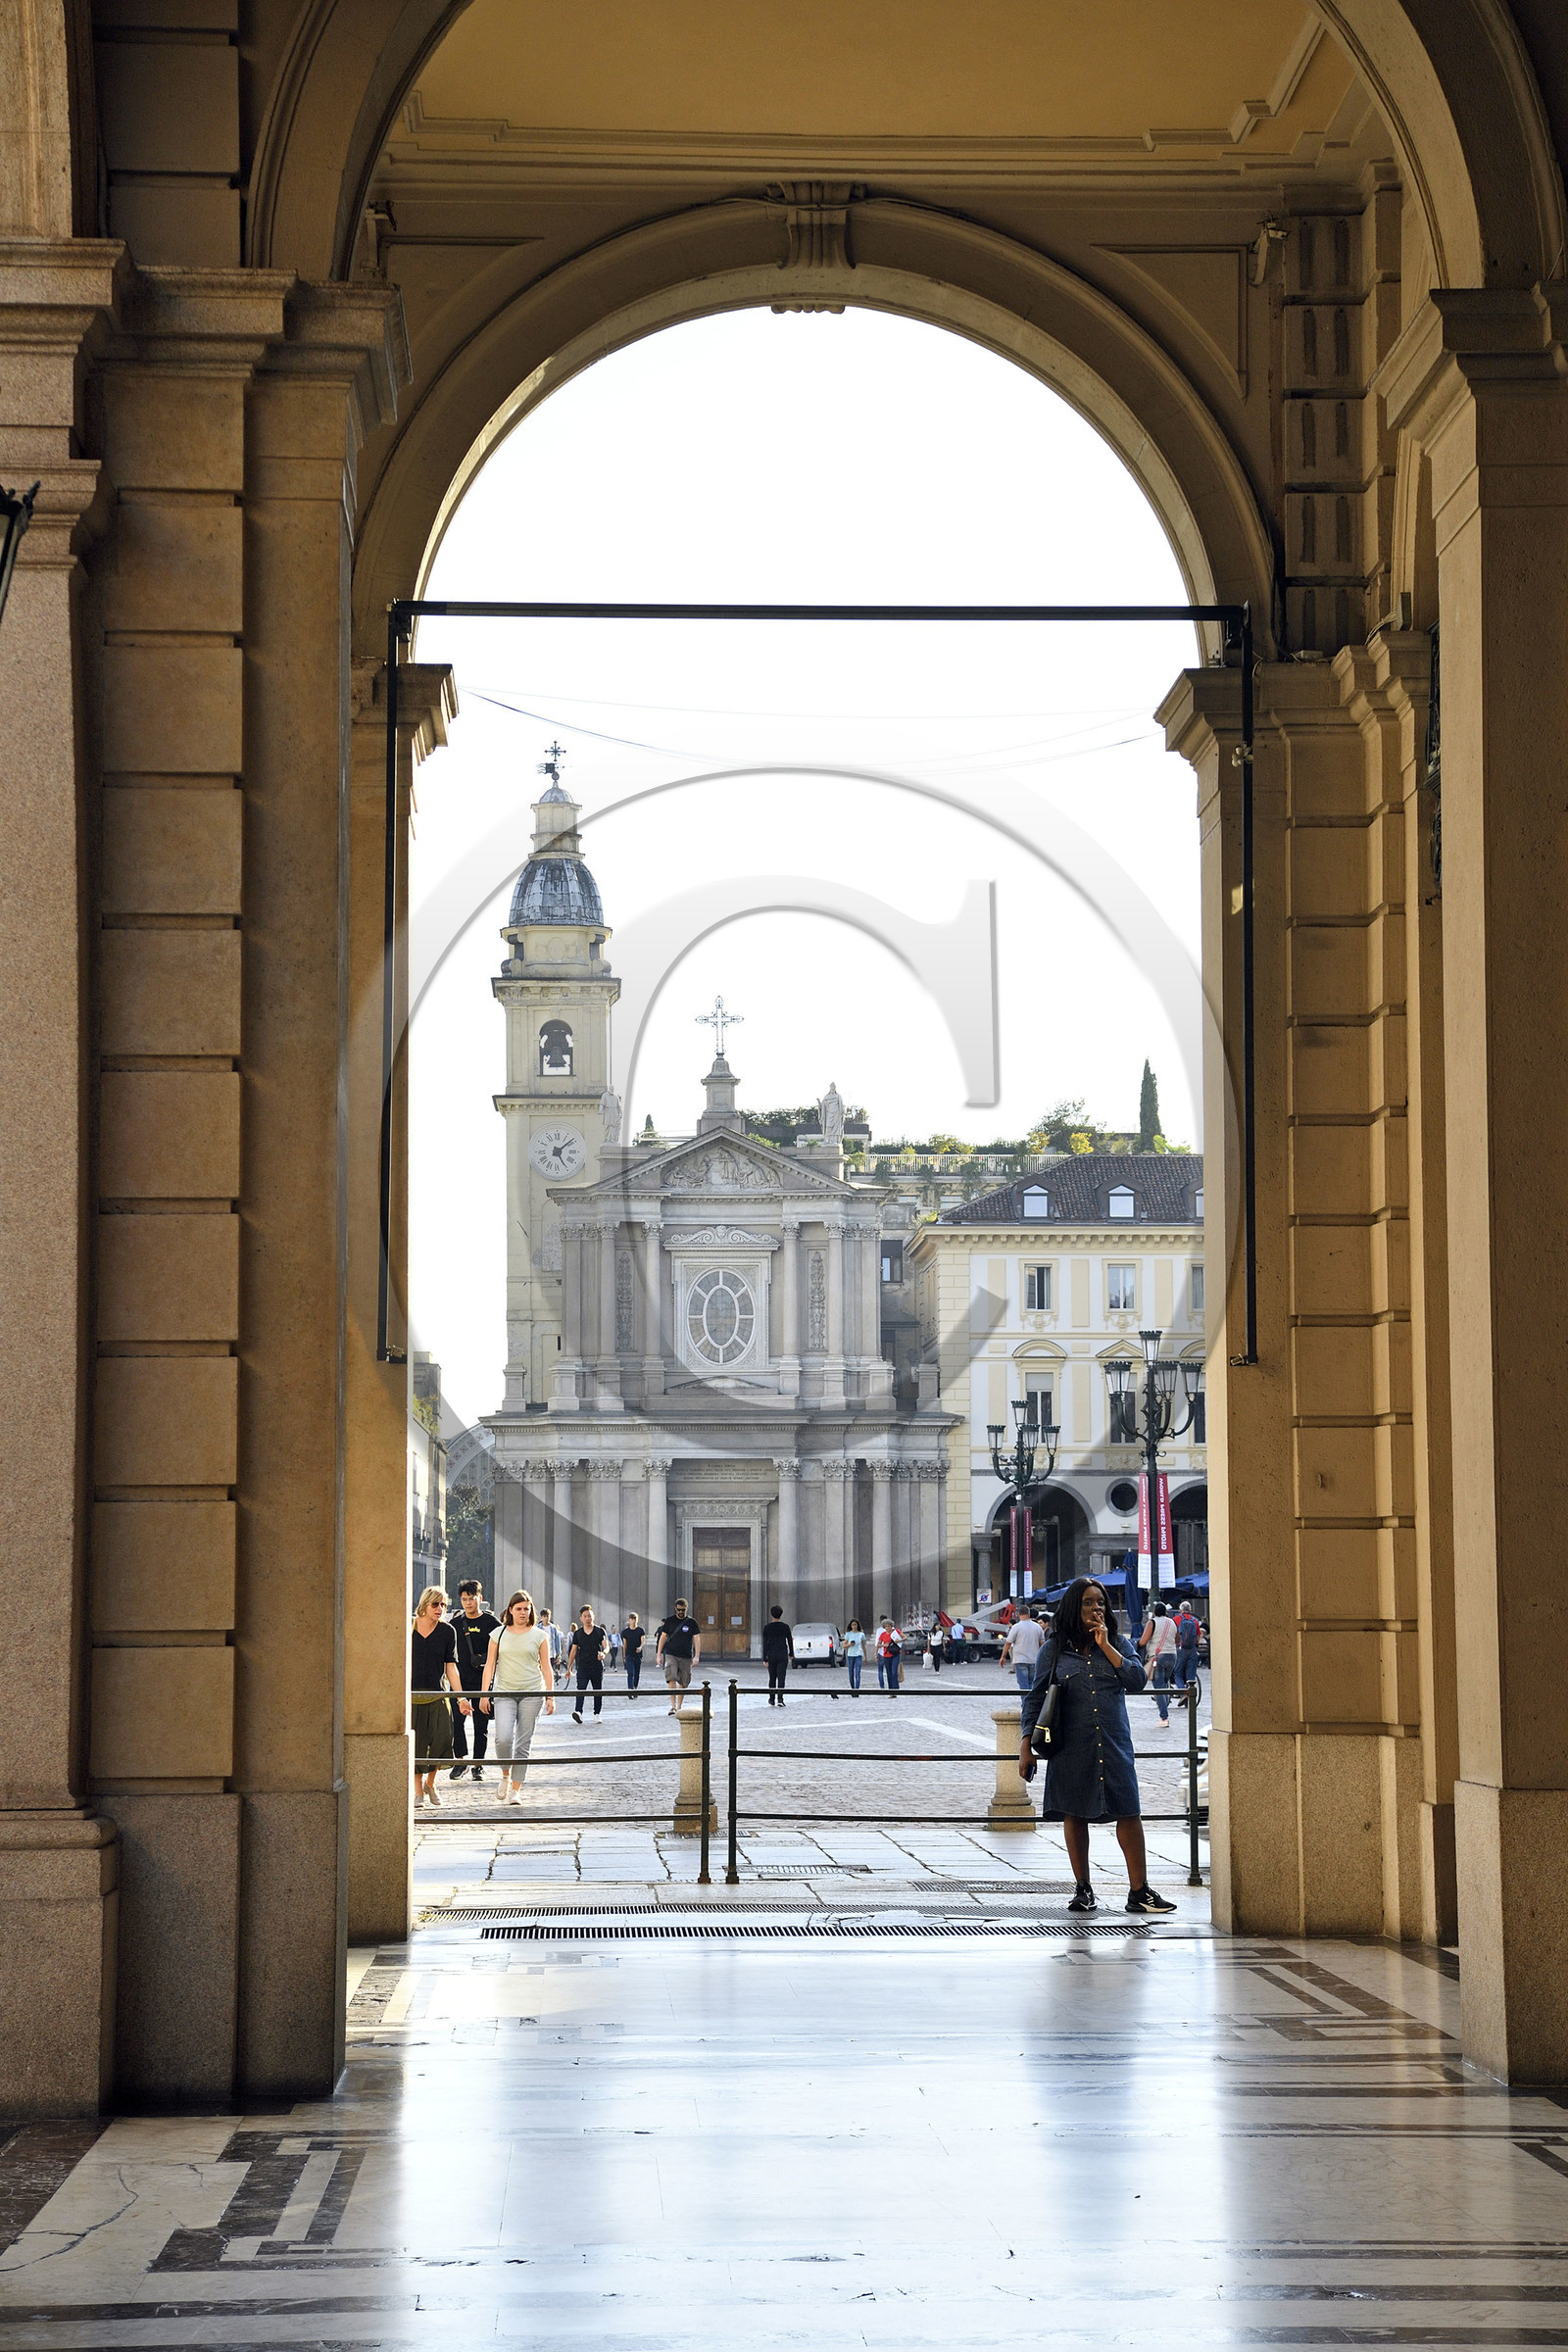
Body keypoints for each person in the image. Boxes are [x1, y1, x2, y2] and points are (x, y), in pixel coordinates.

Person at [1016, 1575, 1177, 1916]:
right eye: (1088, 1602)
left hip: (1113, 1742)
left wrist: (1107, 1646)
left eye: (1100, 1602)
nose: (1096, 1608)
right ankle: (1083, 1888)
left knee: (1128, 1812)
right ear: (1075, 1607)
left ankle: (1139, 1892)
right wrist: (1025, 1746)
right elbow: (1035, 1700)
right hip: (1071, 1744)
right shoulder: (1054, 1650)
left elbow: (1137, 1682)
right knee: (1074, 1813)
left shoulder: (1119, 1642)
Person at [479, 1588, 554, 1802]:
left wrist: (551, 1696)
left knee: (523, 1742)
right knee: (503, 1737)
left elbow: (546, 1667)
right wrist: (484, 1695)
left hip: (533, 1692)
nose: (522, 1612)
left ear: (531, 1611)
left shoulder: (540, 1636)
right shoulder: (498, 1634)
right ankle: (505, 1775)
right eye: (518, 1609)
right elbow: (489, 1665)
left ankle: (516, 1790)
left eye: (526, 1609)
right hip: (505, 1692)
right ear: (510, 1610)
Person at [411, 1587, 467, 1808]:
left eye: (443, 1605)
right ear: (425, 1604)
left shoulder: (447, 1631)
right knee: (417, 1745)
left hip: (437, 1693)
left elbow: (451, 1668)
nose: (440, 1609)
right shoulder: (410, 1626)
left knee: (443, 1740)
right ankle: (418, 1791)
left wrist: (461, 1698)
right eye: (436, 1604)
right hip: (412, 1696)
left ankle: (431, 1783)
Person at [447, 1578, 500, 1783]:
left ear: (480, 1598)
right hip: (459, 1682)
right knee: (456, 1724)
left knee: (481, 1726)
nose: (468, 1603)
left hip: (482, 1682)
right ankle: (460, 1762)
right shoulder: (455, 1624)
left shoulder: (492, 1623)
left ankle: (478, 1764)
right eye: (464, 1599)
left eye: (471, 1598)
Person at [657, 1598, 701, 1713]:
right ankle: (673, 1706)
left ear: (687, 1609)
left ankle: (679, 1706)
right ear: (675, 1609)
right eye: (679, 1610)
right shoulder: (670, 1621)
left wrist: (696, 1656)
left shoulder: (691, 1622)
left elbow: (697, 1639)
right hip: (671, 1653)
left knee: (683, 1681)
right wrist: (659, 1655)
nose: (681, 1612)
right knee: (671, 1678)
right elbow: (663, 1637)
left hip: (686, 1655)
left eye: (683, 1610)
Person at [566, 1604, 609, 1722]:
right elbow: (573, 1651)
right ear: (581, 1618)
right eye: (585, 1616)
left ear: (593, 1617)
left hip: (596, 1666)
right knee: (581, 1689)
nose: (588, 1618)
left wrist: (603, 1653)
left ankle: (597, 1713)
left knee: (597, 1690)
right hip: (582, 1666)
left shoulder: (600, 1631)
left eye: (589, 1616)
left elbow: (606, 1646)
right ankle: (578, 1712)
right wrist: (569, 1668)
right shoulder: (578, 1633)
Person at [1140, 1600, 1178, 1724]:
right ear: (1166, 1612)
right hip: (1172, 1656)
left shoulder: (1152, 1622)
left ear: (1154, 1612)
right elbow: (1177, 1639)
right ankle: (1164, 1708)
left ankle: (1164, 1717)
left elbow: (1143, 1641)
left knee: (1159, 1687)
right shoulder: (1172, 1622)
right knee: (1164, 1683)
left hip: (1157, 1657)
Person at [1001, 1605, 1045, 1693]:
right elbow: (1042, 1644)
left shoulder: (1016, 1627)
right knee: (1032, 1684)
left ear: (1018, 1614)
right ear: (1028, 1614)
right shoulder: (1037, 1627)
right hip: (1034, 1660)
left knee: (1023, 1686)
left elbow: (1008, 1643)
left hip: (1020, 1660)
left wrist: (1003, 1657)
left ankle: (1025, 1705)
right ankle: (1031, 1705)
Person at [761, 1604, 794, 1705]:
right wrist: (791, 1653)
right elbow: (789, 1641)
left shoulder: (767, 1628)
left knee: (772, 1677)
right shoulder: (785, 1627)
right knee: (781, 1677)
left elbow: (765, 1643)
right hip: (782, 1654)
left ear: (772, 1614)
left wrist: (764, 1658)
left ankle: (771, 1699)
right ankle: (780, 1699)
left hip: (771, 1654)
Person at [1174, 1600, 1202, 1690]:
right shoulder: (1194, 1621)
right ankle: (1190, 1695)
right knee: (1190, 1677)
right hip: (1192, 1650)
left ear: (1180, 1610)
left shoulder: (1176, 1619)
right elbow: (1198, 1638)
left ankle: (1182, 1692)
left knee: (1178, 1674)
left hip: (1180, 1649)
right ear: (1190, 1610)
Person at [877, 1617, 904, 1695]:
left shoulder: (896, 1631)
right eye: (886, 1626)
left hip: (895, 1654)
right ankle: (891, 1690)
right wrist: (883, 1645)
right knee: (888, 1673)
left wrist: (899, 1640)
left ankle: (895, 1689)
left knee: (894, 1672)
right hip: (886, 1655)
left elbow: (904, 1637)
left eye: (889, 1626)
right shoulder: (882, 1634)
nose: (887, 1627)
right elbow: (878, 1644)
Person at [622, 1612, 644, 1694]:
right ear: (629, 1620)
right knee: (630, 1672)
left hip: (638, 1655)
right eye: (632, 1619)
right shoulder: (625, 1632)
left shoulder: (640, 1630)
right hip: (629, 1654)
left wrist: (640, 1647)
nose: (633, 1621)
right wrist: (624, 1656)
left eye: (635, 1619)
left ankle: (635, 1688)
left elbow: (643, 1641)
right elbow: (625, 1644)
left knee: (637, 1673)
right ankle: (630, 1689)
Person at [843, 1618, 865, 1695]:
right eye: (853, 1625)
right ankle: (852, 1689)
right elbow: (844, 1645)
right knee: (851, 1673)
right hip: (850, 1655)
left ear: (857, 1625)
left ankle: (857, 1690)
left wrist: (865, 1656)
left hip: (858, 1655)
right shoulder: (848, 1634)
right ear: (851, 1626)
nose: (854, 1626)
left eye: (855, 1625)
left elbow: (863, 1646)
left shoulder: (861, 1634)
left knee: (857, 1673)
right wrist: (849, 1644)